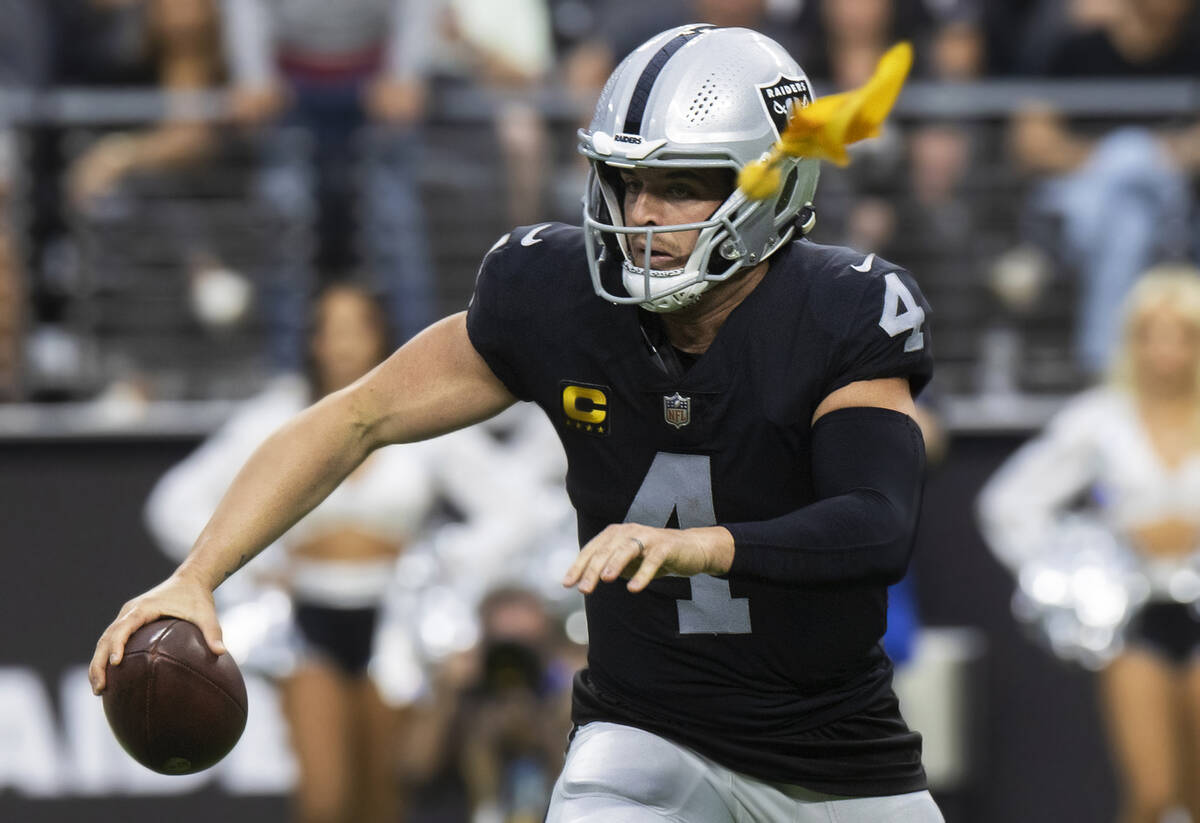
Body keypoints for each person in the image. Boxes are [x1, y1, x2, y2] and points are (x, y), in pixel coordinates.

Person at [91, 25, 942, 821]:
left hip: (834, 758)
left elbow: (876, 523)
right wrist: (197, 574)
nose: (640, 213)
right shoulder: (555, 293)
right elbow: (356, 416)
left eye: (681, 184)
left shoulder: (841, 309)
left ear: (773, 181)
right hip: (647, 732)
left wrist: (705, 544)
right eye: (626, 179)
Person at [144, 283, 534, 823]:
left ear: (382, 336)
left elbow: (517, 507)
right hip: (307, 619)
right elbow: (174, 503)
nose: (346, 343)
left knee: (383, 798)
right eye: (333, 329)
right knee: (325, 800)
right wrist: (254, 571)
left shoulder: (421, 410)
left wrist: (446, 569)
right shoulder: (277, 418)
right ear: (313, 342)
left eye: (360, 327)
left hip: (394, 620)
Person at [978, 266, 1200, 823]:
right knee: (1151, 794)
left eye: (1183, 334)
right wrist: (1088, 564)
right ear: (1134, 340)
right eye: (1153, 332)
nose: (1167, 349)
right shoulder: (1099, 420)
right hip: (1135, 624)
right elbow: (1009, 506)